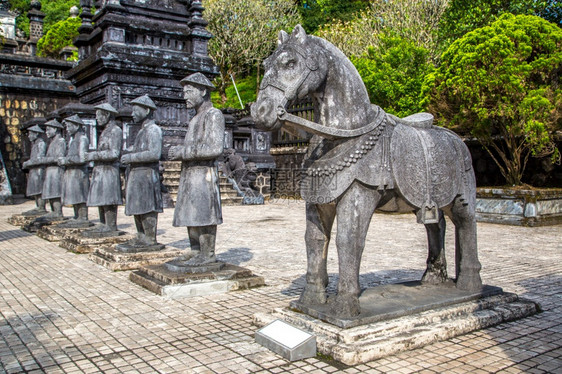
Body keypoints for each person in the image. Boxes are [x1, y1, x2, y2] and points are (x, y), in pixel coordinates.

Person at [168, 73, 224, 265]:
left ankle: (207, 253)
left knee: (204, 212)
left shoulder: (213, 115)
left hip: (204, 174)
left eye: (189, 91)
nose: (185, 96)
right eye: (184, 92)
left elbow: (215, 148)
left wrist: (183, 152)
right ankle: (195, 249)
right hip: (191, 173)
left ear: (203, 91)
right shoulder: (195, 119)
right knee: (190, 211)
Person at [117, 95, 163, 250]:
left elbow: (154, 154)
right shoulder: (141, 131)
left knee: (147, 207)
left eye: (136, 110)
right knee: (137, 206)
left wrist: (131, 157)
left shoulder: (154, 130)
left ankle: (150, 238)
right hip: (137, 174)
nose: (132, 114)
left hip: (147, 175)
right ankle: (141, 236)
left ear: (147, 110)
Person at [83, 103, 123, 236]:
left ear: (107, 115)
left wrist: (94, 155)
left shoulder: (115, 130)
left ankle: (110, 225)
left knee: (108, 199)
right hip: (101, 170)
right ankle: (103, 223)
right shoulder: (105, 131)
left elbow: (114, 153)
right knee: (101, 197)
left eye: (99, 115)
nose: (97, 119)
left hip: (109, 170)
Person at [57, 114, 90, 227]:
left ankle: (83, 217)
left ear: (76, 126)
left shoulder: (82, 138)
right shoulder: (73, 140)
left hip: (79, 173)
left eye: (69, 126)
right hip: (72, 172)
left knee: (80, 195)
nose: (67, 129)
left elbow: (82, 158)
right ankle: (77, 216)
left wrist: (66, 160)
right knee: (74, 195)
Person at [39, 119, 66, 219]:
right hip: (50, 170)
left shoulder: (60, 141)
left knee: (55, 192)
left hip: (56, 171)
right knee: (50, 191)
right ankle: (54, 211)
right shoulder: (52, 142)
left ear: (55, 129)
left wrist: (45, 160)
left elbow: (59, 157)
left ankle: (58, 212)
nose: (47, 132)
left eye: (49, 129)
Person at [21, 124, 47, 216]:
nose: (29, 136)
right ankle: (38, 206)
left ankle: (41, 207)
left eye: (30, 134)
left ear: (36, 134)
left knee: (39, 189)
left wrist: (28, 163)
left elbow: (40, 158)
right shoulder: (35, 144)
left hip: (39, 170)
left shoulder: (41, 143)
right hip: (34, 170)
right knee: (35, 189)